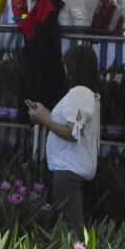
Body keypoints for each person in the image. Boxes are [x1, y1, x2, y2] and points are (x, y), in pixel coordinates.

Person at [27, 44, 101, 235]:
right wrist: (45, 112)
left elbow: (71, 132)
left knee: (71, 226)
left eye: (66, 63)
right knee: (70, 223)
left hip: (69, 169)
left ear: (73, 66)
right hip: (71, 168)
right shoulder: (85, 94)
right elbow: (71, 125)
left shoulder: (80, 93)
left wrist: (42, 120)